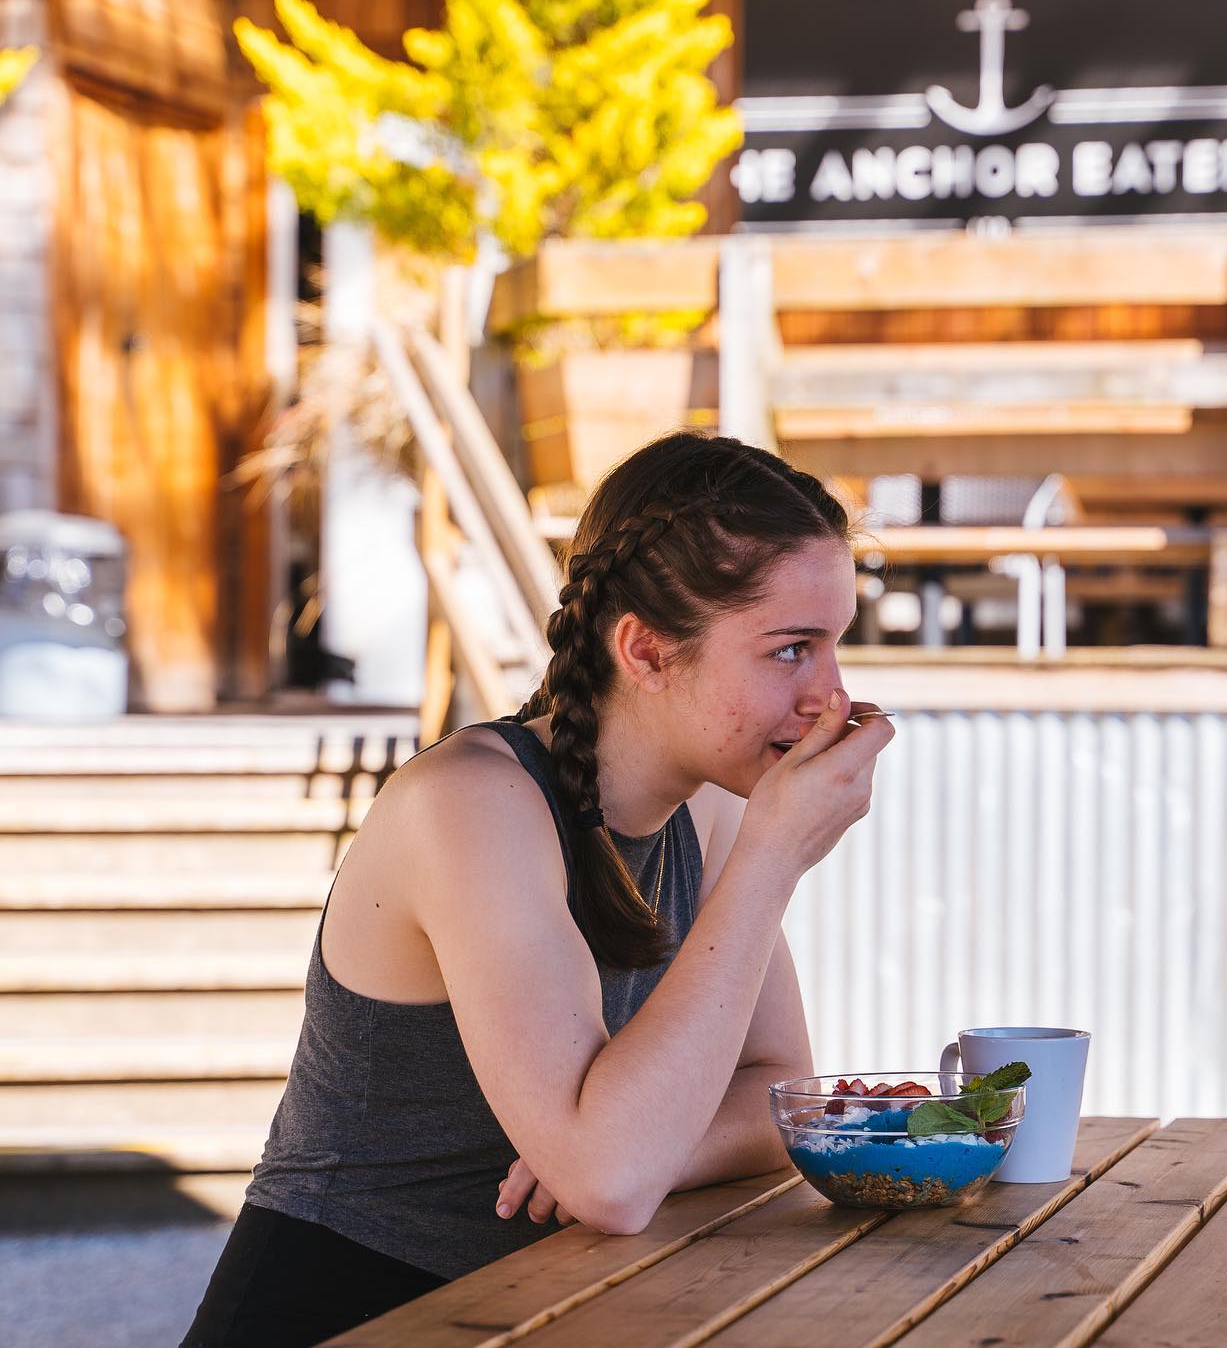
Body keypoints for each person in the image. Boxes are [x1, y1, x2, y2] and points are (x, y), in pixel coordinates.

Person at [181, 432, 895, 1346]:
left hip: (534, 1308)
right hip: (348, 1312)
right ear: (646, 651)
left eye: (834, 646)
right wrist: (773, 862)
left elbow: (781, 1097)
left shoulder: (711, 808)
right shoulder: (471, 804)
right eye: (791, 650)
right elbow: (612, 1184)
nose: (829, 696)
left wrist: (638, 1153)